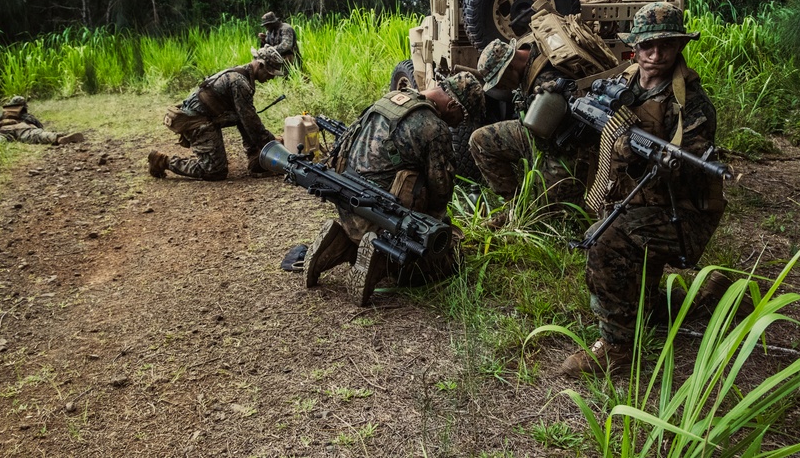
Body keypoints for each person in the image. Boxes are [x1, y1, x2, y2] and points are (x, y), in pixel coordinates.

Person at [561, 2, 728, 378]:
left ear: (680, 46)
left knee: (604, 240)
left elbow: (690, 175)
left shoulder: (691, 105)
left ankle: (619, 349)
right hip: (639, 199)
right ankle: (701, 297)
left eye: (667, 45)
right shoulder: (626, 79)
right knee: (631, 275)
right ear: (635, 48)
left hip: (681, 212)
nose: (657, 54)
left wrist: (646, 154)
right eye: (648, 46)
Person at [303, 72, 486, 306]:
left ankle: (341, 240)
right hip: (383, 218)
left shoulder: (392, 98)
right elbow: (441, 191)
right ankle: (381, 257)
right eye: (463, 116)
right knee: (446, 262)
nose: (459, 124)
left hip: (348, 204)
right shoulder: (434, 127)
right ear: (452, 104)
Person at [469, 38, 584, 222]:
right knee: (480, 140)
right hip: (537, 133)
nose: (503, 88)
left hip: (565, 146)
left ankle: (535, 210)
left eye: (501, 81)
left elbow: (551, 136)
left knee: (546, 215)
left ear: (510, 67)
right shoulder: (530, 55)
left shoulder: (546, 76)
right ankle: (515, 206)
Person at [148, 47, 285, 180]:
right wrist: (273, 145)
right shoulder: (240, 82)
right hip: (197, 121)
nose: (271, 78)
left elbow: (245, 118)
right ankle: (163, 161)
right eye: (269, 73)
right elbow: (250, 121)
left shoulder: (242, 75)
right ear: (260, 65)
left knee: (242, 116)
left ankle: (255, 157)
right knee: (215, 171)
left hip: (208, 117)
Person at [0, 96, 85, 145]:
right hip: (23, 129)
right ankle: (57, 138)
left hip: (5, 130)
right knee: (37, 135)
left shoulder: (1, 114)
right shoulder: (26, 115)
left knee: (0, 137)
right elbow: (39, 125)